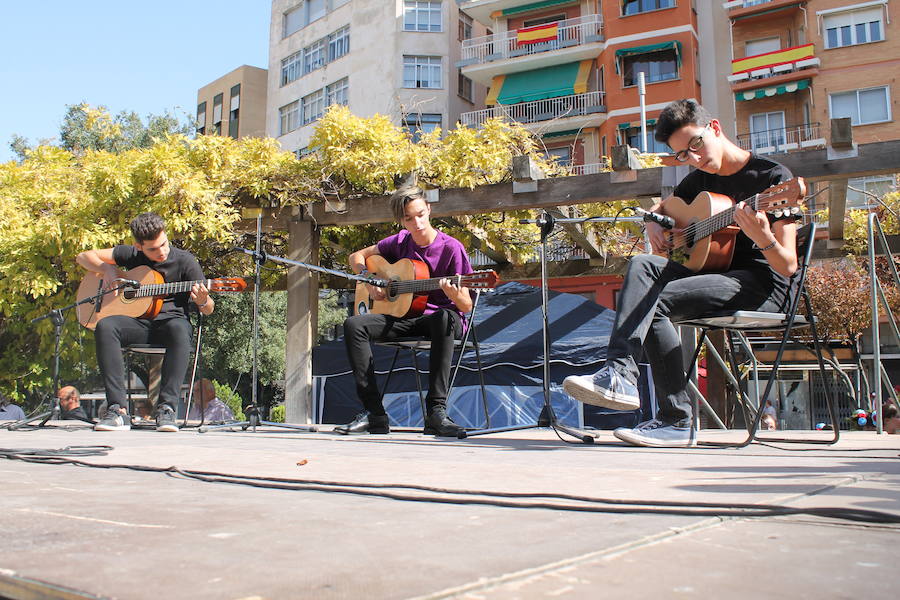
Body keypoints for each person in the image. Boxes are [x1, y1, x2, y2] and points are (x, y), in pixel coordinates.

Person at [563, 99, 801, 447]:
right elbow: (663, 208)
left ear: (714, 129)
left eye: (695, 145)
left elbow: (788, 266)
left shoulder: (773, 180)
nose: (692, 157)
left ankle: (676, 419)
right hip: (713, 277)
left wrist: (763, 237)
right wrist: (652, 222)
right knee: (644, 263)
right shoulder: (699, 181)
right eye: (682, 155)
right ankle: (620, 374)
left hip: (764, 286)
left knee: (654, 302)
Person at [335, 184, 474, 437]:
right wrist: (369, 278)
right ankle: (374, 414)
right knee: (354, 325)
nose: (417, 223)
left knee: (444, 318)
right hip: (404, 317)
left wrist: (454, 293)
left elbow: (466, 306)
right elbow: (356, 256)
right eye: (409, 219)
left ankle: (436, 413)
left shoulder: (451, 248)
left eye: (421, 214)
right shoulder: (399, 242)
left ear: (429, 209)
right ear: (401, 221)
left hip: (440, 321)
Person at [76, 213, 214, 432]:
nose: (161, 252)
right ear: (138, 246)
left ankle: (166, 409)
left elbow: (208, 309)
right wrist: (107, 268)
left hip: (170, 325)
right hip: (137, 325)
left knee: (180, 329)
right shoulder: (130, 255)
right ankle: (117, 410)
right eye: (153, 249)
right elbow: (83, 256)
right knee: (106, 325)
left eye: (164, 244)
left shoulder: (185, 261)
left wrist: (202, 300)